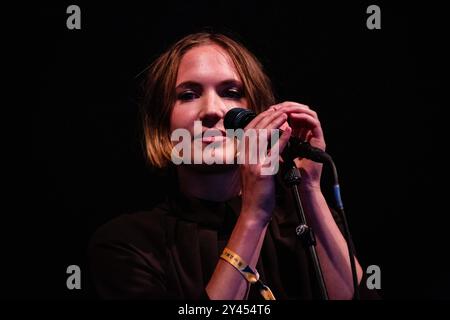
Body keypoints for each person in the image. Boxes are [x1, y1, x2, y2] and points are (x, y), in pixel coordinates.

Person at [88, 31, 376, 300]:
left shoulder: (298, 219)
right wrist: (253, 216)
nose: (213, 110)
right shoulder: (128, 243)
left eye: (231, 92)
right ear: (163, 125)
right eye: (188, 95)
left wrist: (309, 190)